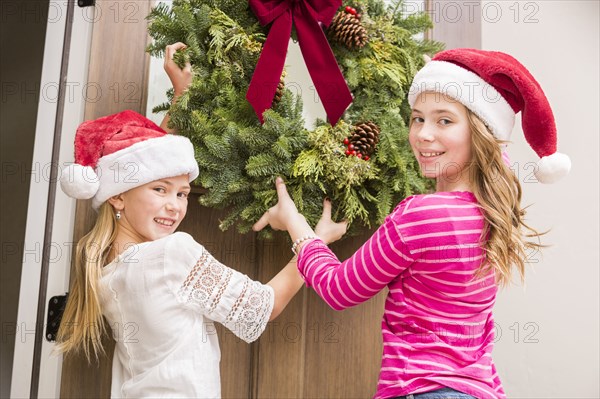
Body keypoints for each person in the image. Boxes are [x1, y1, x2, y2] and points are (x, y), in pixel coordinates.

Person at [253, 48, 571, 399]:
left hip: (422, 390)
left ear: (479, 132)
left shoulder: (422, 216)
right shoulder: (493, 210)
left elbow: (339, 289)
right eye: (417, 118)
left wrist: (297, 225)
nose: (422, 134)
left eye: (444, 120)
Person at [55, 43, 346, 398]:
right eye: (162, 191)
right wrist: (312, 239)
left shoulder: (105, 269)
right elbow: (263, 306)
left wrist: (181, 97)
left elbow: (142, 174)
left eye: (182, 194)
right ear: (117, 194)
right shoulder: (172, 255)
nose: (175, 206)